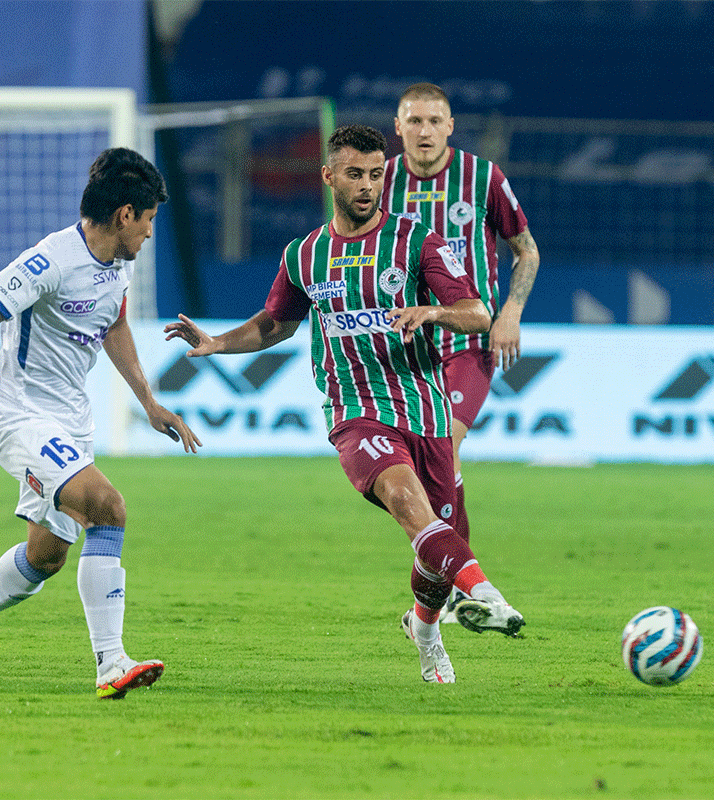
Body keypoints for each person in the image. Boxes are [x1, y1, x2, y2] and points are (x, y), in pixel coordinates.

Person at [165, 125, 519, 684]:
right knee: (405, 499)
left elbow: (477, 312)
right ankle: (491, 598)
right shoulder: (304, 255)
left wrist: (433, 313)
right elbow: (274, 323)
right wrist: (217, 343)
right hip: (355, 412)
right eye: (355, 174)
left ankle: (424, 629)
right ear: (328, 176)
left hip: (424, 413)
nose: (368, 186)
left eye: (377, 174)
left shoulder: (417, 240)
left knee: (436, 550)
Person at [0, 147, 200, 699]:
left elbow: (112, 325)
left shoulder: (117, 267)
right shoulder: (50, 261)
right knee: (108, 507)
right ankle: (111, 664)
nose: (150, 234)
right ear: (125, 215)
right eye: (149, 220)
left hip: (70, 422)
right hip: (18, 416)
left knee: (45, 557)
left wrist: (149, 401)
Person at [384, 83, 540, 624]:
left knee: (445, 440)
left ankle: (454, 581)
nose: (424, 130)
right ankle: (452, 581)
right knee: (432, 462)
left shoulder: (483, 178)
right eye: (414, 121)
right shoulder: (379, 182)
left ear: (450, 126)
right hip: (407, 340)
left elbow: (526, 250)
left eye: (434, 120)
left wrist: (510, 313)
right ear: (398, 127)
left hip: (470, 335)